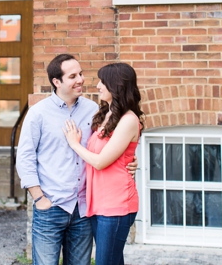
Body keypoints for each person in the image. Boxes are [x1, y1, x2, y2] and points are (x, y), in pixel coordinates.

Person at [16, 54, 137, 265]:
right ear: (57, 81)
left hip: (83, 209)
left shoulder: (94, 110)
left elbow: (109, 147)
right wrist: (39, 199)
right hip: (51, 207)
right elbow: (25, 158)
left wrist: (130, 161)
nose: (80, 79)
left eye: (80, 73)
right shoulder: (38, 114)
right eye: (72, 76)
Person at [63, 63, 143, 265]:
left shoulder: (128, 120)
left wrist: (74, 144)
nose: (98, 85)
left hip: (117, 205)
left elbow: (99, 162)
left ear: (116, 86)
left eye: (103, 82)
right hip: (100, 203)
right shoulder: (107, 114)